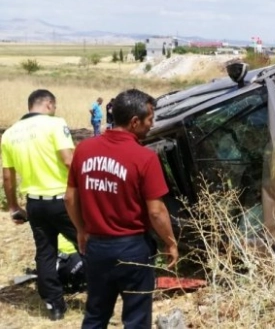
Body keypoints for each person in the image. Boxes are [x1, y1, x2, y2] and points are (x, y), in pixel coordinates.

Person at [65, 88, 178, 329]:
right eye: (150, 119)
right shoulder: (144, 158)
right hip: (133, 249)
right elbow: (156, 212)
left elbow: (69, 198)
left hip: (96, 247)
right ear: (135, 122)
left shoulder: (84, 150)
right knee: (136, 318)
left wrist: (81, 230)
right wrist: (170, 242)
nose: (152, 124)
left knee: (95, 315)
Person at [0, 89, 79, 321]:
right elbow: (68, 160)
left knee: (45, 254)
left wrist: (14, 206)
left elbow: (7, 176)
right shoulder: (55, 124)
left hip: (34, 204)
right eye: (54, 107)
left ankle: (54, 307)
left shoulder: (10, 134)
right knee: (88, 244)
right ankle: (101, 293)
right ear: (48, 104)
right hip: (63, 201)